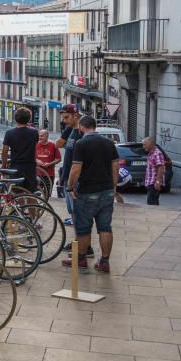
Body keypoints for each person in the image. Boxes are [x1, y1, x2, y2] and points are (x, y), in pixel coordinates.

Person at [64, 115, 120, 273]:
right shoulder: (109, 143)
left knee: (83, 228)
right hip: (107, 191)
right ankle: (105, 262)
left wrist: (70, 187)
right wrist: (114, 187)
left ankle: (81, 259)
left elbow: (76, 168)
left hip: (87, 191)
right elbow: (115, 167)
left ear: (81, 127)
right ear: (94, 127)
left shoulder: (81, 144)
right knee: (105, 227)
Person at [1, 108, 39, 192]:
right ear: (28, 119)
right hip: (30, 166)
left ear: (15, 118)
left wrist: (3, 167)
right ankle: (30, 205)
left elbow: (4, 152)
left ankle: (20, 205)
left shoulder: (9, 133)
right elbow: (35, 148)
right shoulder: (34, 132)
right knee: (30, 192)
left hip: (16, 166)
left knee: (17, 193)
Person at [35, 129, 61, 197]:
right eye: (39, 136)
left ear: (47, 136)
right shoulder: (35, 144)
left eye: (42, 136)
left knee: (47, 194)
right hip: (38, 174)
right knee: (36, 194)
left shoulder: (53, 145)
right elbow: (30, 157)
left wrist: (49, 164)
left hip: (49, 174)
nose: (40, 137)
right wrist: (37, 160)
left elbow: (59, 159)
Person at [143, 136, 166, 206]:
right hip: (151, 183)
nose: (143, 147)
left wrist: (158, 181)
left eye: (145, 144)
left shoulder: (157, 153)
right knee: (152, 203)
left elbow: (160, 167)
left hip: (154, 183)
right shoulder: (151, 153)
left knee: (152, 204)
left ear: (151, 144)